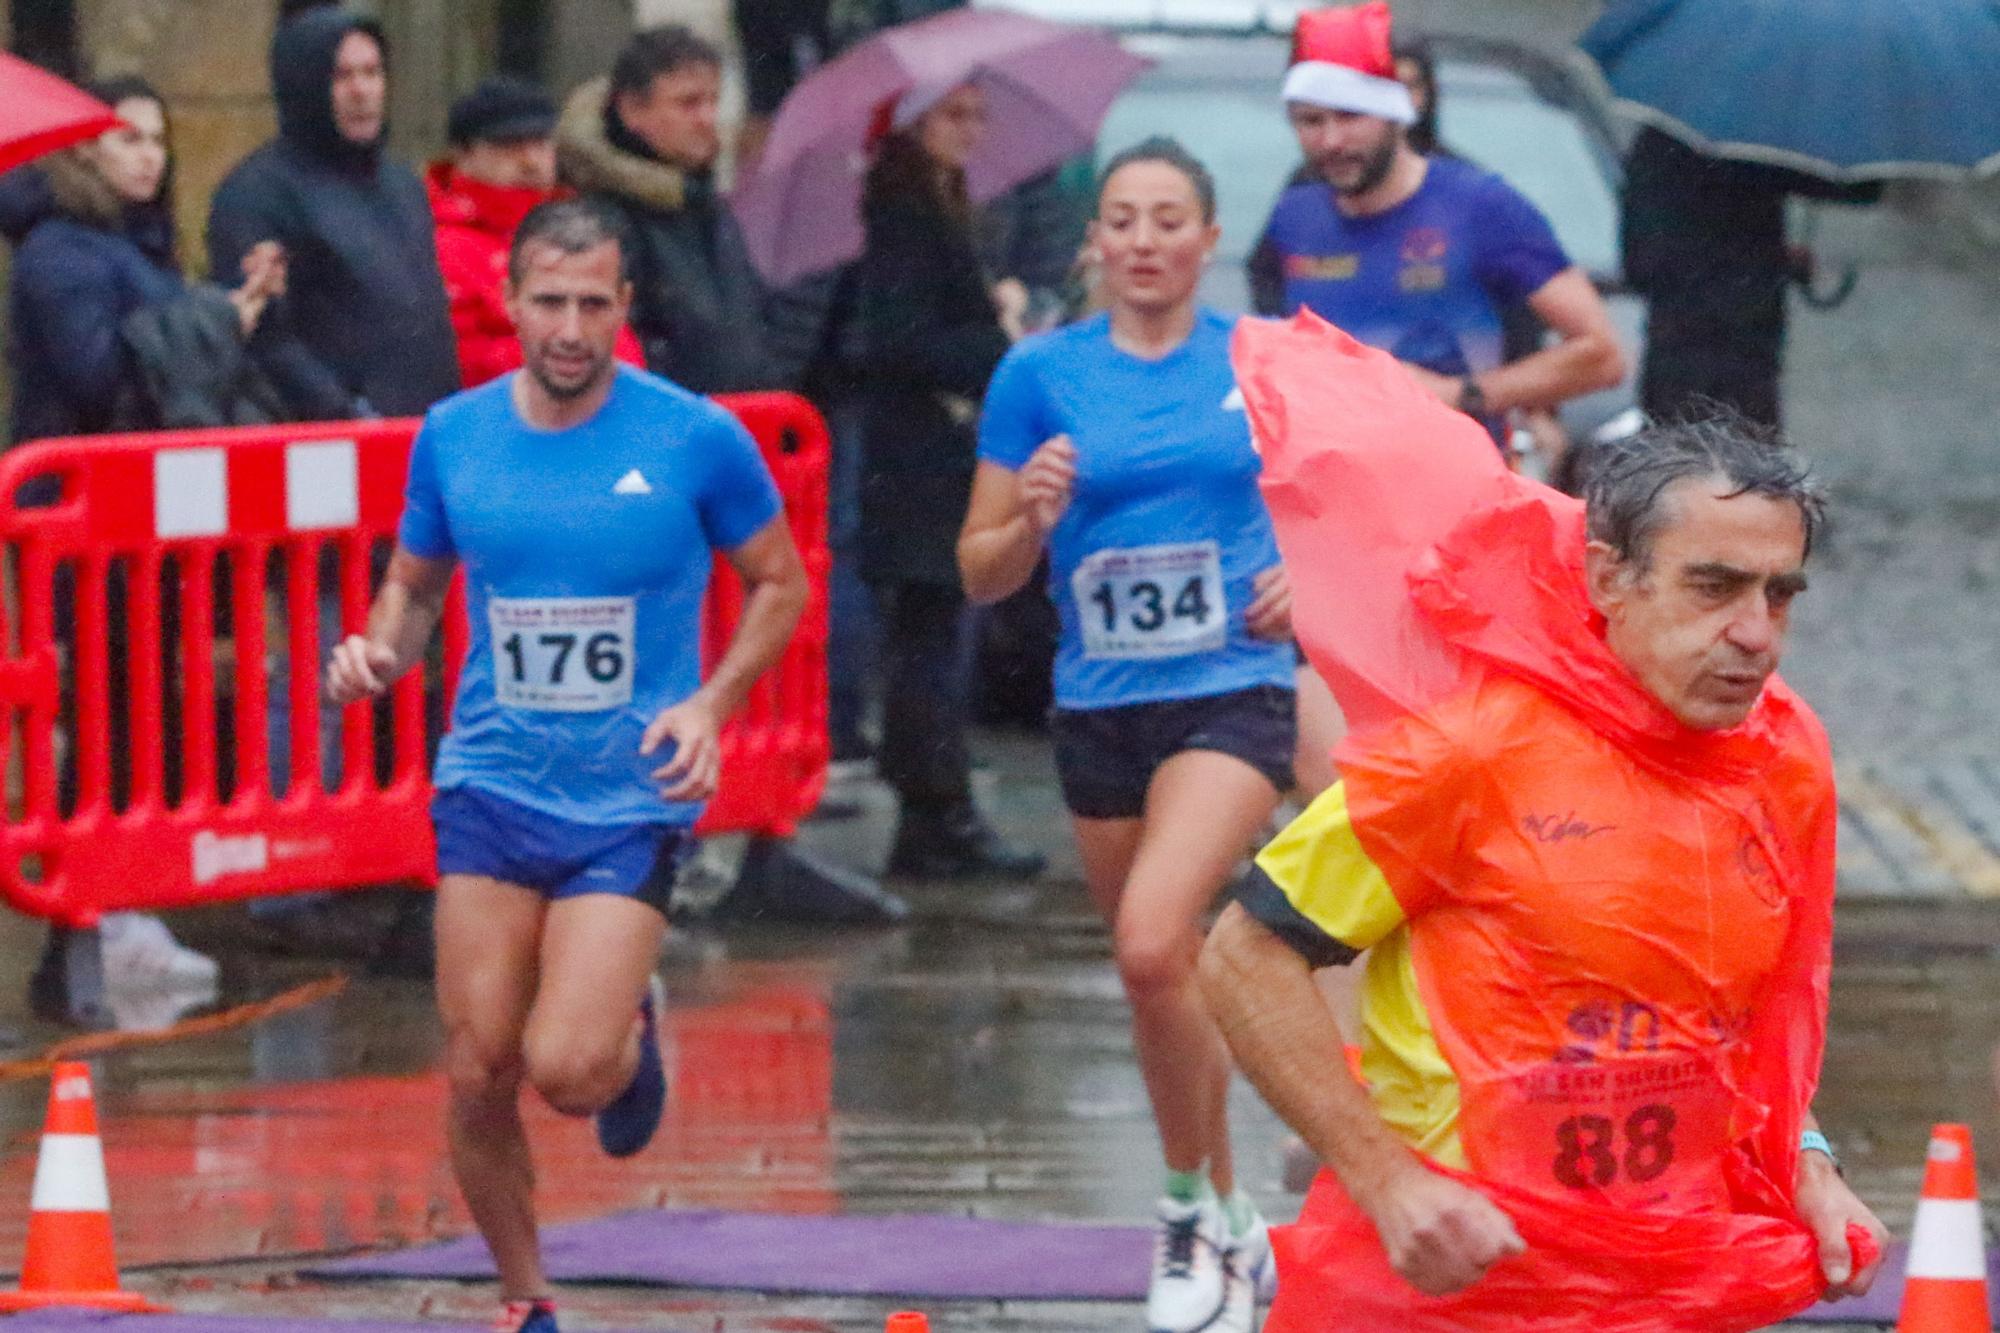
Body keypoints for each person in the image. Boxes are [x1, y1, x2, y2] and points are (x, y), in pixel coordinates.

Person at [1199, 341, 1889, 1328]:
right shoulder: (1470, 753)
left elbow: (1723, 1024)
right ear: (1609, 580)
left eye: (1777, 594)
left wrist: (1805, 1163)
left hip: (1667, 1278)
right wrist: (1387, 1182)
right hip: (1462, 1281)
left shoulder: (1778, 761)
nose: (1754, 633)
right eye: (1713, 585)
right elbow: (1243, 955)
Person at [325, 199, 808, 1333]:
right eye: (551, 301)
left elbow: (779, 579)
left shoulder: (692, 437)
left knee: (566, 1069)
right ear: (510, 299)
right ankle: (526, 1296)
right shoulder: (453, 434)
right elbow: (415, 582)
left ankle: (626, 1030)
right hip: (488, 783)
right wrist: (377, 650)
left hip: (625, 795)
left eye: (595, 302)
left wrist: (709, 701)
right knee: (479, 1062)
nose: (572, 326)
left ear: (624, 306)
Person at [961, 138, 1293, 1331]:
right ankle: (1231, 1213)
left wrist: (1306, 579)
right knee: (1151, 977)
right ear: (1091, 244)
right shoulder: (1037, 377)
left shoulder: (1257, 363)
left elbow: (1357, 498)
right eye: (1121, 221)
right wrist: (1032, 516)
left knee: (1159, 943)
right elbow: (981, 569)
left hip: (1231, 691)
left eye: (1168, 220)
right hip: (1099, 704)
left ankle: (1181, 1212)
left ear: (1209, 241)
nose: (1143, 241)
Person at [1248, 2, 1623, 444]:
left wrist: (1462, 393)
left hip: (1455, 477)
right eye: (1311, 121)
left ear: (1397, 112)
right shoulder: (1295, 215)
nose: (1331, 140)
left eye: (1351, 116)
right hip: (1327, 478)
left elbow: (1601, 355)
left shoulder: (1481, 205)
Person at [856, 80, 1043, 881]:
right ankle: (936, 812)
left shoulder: (940, 200)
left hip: (932, 450)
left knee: (937, 635)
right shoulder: (904, 209)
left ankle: (939, 806)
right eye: (953, 115)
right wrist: (998, 345)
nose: (970, 130)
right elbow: (902, 338)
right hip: (917, 456)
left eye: (977, 114)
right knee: (931, 638)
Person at [207, 4, 459, 422]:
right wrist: (346, 413)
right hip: (331, 446)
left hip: (425, 430)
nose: (362, 91)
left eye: (372, 73)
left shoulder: (401, 184)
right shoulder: (257, 194)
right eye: (341, 77)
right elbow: (266, 336)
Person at [555, 25, 820, 397]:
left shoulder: (707, 205)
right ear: (632, 110)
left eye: (713, 101)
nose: (707, 117)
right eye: (688, 103)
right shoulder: (602, 219)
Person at [1621, 127, 1880, 433]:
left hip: (1678, 353)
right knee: (1746, 465)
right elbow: (1855, 187)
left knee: (1677, 461)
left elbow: (1638, 264)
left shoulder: (1657, 143)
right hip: (1742, 349)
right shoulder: (1757, 148)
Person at [427, 75, 643, 388]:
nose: (531, 161)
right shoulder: (439, 245)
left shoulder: (585, 230)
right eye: (509, 145)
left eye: (541, 142)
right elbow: (464, 361)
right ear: (464, 153)